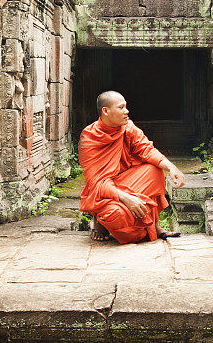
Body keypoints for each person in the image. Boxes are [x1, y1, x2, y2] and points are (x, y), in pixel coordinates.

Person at [79, 91, 186, 243]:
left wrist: (172, 167)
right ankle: (102, 222)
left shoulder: (128, 127)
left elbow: (146, 150)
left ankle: (154, 225)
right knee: (114, 215)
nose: (126, 111)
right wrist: (126, 198)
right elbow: (96, 184)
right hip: (106, 194)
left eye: (126, 107)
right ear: (105, 111)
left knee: (154, 170)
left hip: (127, 182)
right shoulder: (89, 137)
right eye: (121, 107)